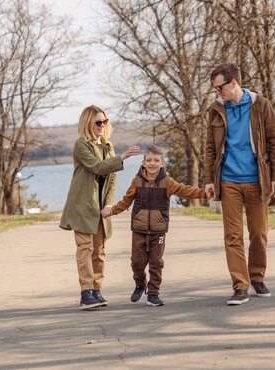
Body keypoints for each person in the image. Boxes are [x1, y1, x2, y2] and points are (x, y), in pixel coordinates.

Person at [203, 63, 275, 306]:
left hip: (257, 181)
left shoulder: (261, 105)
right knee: (233, 236)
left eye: (221, 88)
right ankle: (240, 286)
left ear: (234, 83)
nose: (218, 93)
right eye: (215, 89)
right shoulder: (216, 110)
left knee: (259, 234)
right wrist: (209, 179)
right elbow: (210, 147)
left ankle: (257, 277)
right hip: (228, 181)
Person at [101, 145, 206, 307]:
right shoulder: (136, 181)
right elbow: (126, 200)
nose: (152, 163)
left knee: (156, 262)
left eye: (156, 160)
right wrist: (112, 210)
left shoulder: (167, 182)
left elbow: (185, 190)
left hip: (158, 230)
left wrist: (205, 193)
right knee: (137, 262)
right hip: (139, 229)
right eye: (149, 160)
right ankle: (140, 284)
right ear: (143, 162)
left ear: (162, 163)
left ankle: (153, 294)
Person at [59, 105, 140, 310]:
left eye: (104, 121)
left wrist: (110, 204)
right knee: (85, 249)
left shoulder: (108, 146)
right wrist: (122, 158)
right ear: (88, 124)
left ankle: (96, 289)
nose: (102, 125)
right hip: (83, 206)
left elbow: (111, 178)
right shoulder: (81, 145)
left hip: (101, 208)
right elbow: (97, 167)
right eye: (98, 122)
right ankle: (86, 292)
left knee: (99, 251)